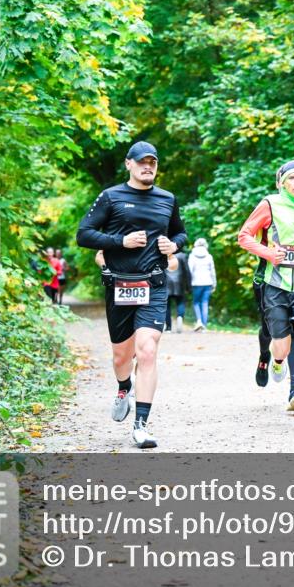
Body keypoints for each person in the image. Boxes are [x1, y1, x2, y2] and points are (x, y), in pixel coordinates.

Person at [76, 141, 187, 449]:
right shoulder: (111, 197)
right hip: (120, 286)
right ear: (129, 164)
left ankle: (141, 424)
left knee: (147, 350)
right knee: (122, 356)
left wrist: (174, 245)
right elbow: (84, 234)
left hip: (153, 285)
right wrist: (120, 241)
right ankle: (124, 385)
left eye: (152, 162)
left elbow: (180, 233)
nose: (147, 166)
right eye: (141, 162)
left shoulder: (167, 199)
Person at [238, 160, 294, 429]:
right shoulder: (270, 204)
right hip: (275, 284)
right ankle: (276, 361)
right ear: (281, 182)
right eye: (293, 178)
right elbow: (244, 236)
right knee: (282, 346)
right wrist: (267, 253)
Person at [188, 237, 216, 332]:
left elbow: (190, 270)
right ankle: (204, 326)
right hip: (208, 282)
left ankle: (199, 321)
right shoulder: (209, 256)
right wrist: (214, 284)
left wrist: (188, 283)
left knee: (196, 302)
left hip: (196, 283)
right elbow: (213, 272)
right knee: (205, 303)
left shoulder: (192, 256)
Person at [165, 247, 189, 333]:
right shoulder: (182, 256)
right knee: (181, 302)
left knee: (167, 306)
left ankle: (168, 327)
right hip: (180, 284)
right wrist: (188, 287)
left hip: (167, 284)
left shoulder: (164, 255)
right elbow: (187, 271)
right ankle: (180, 317)